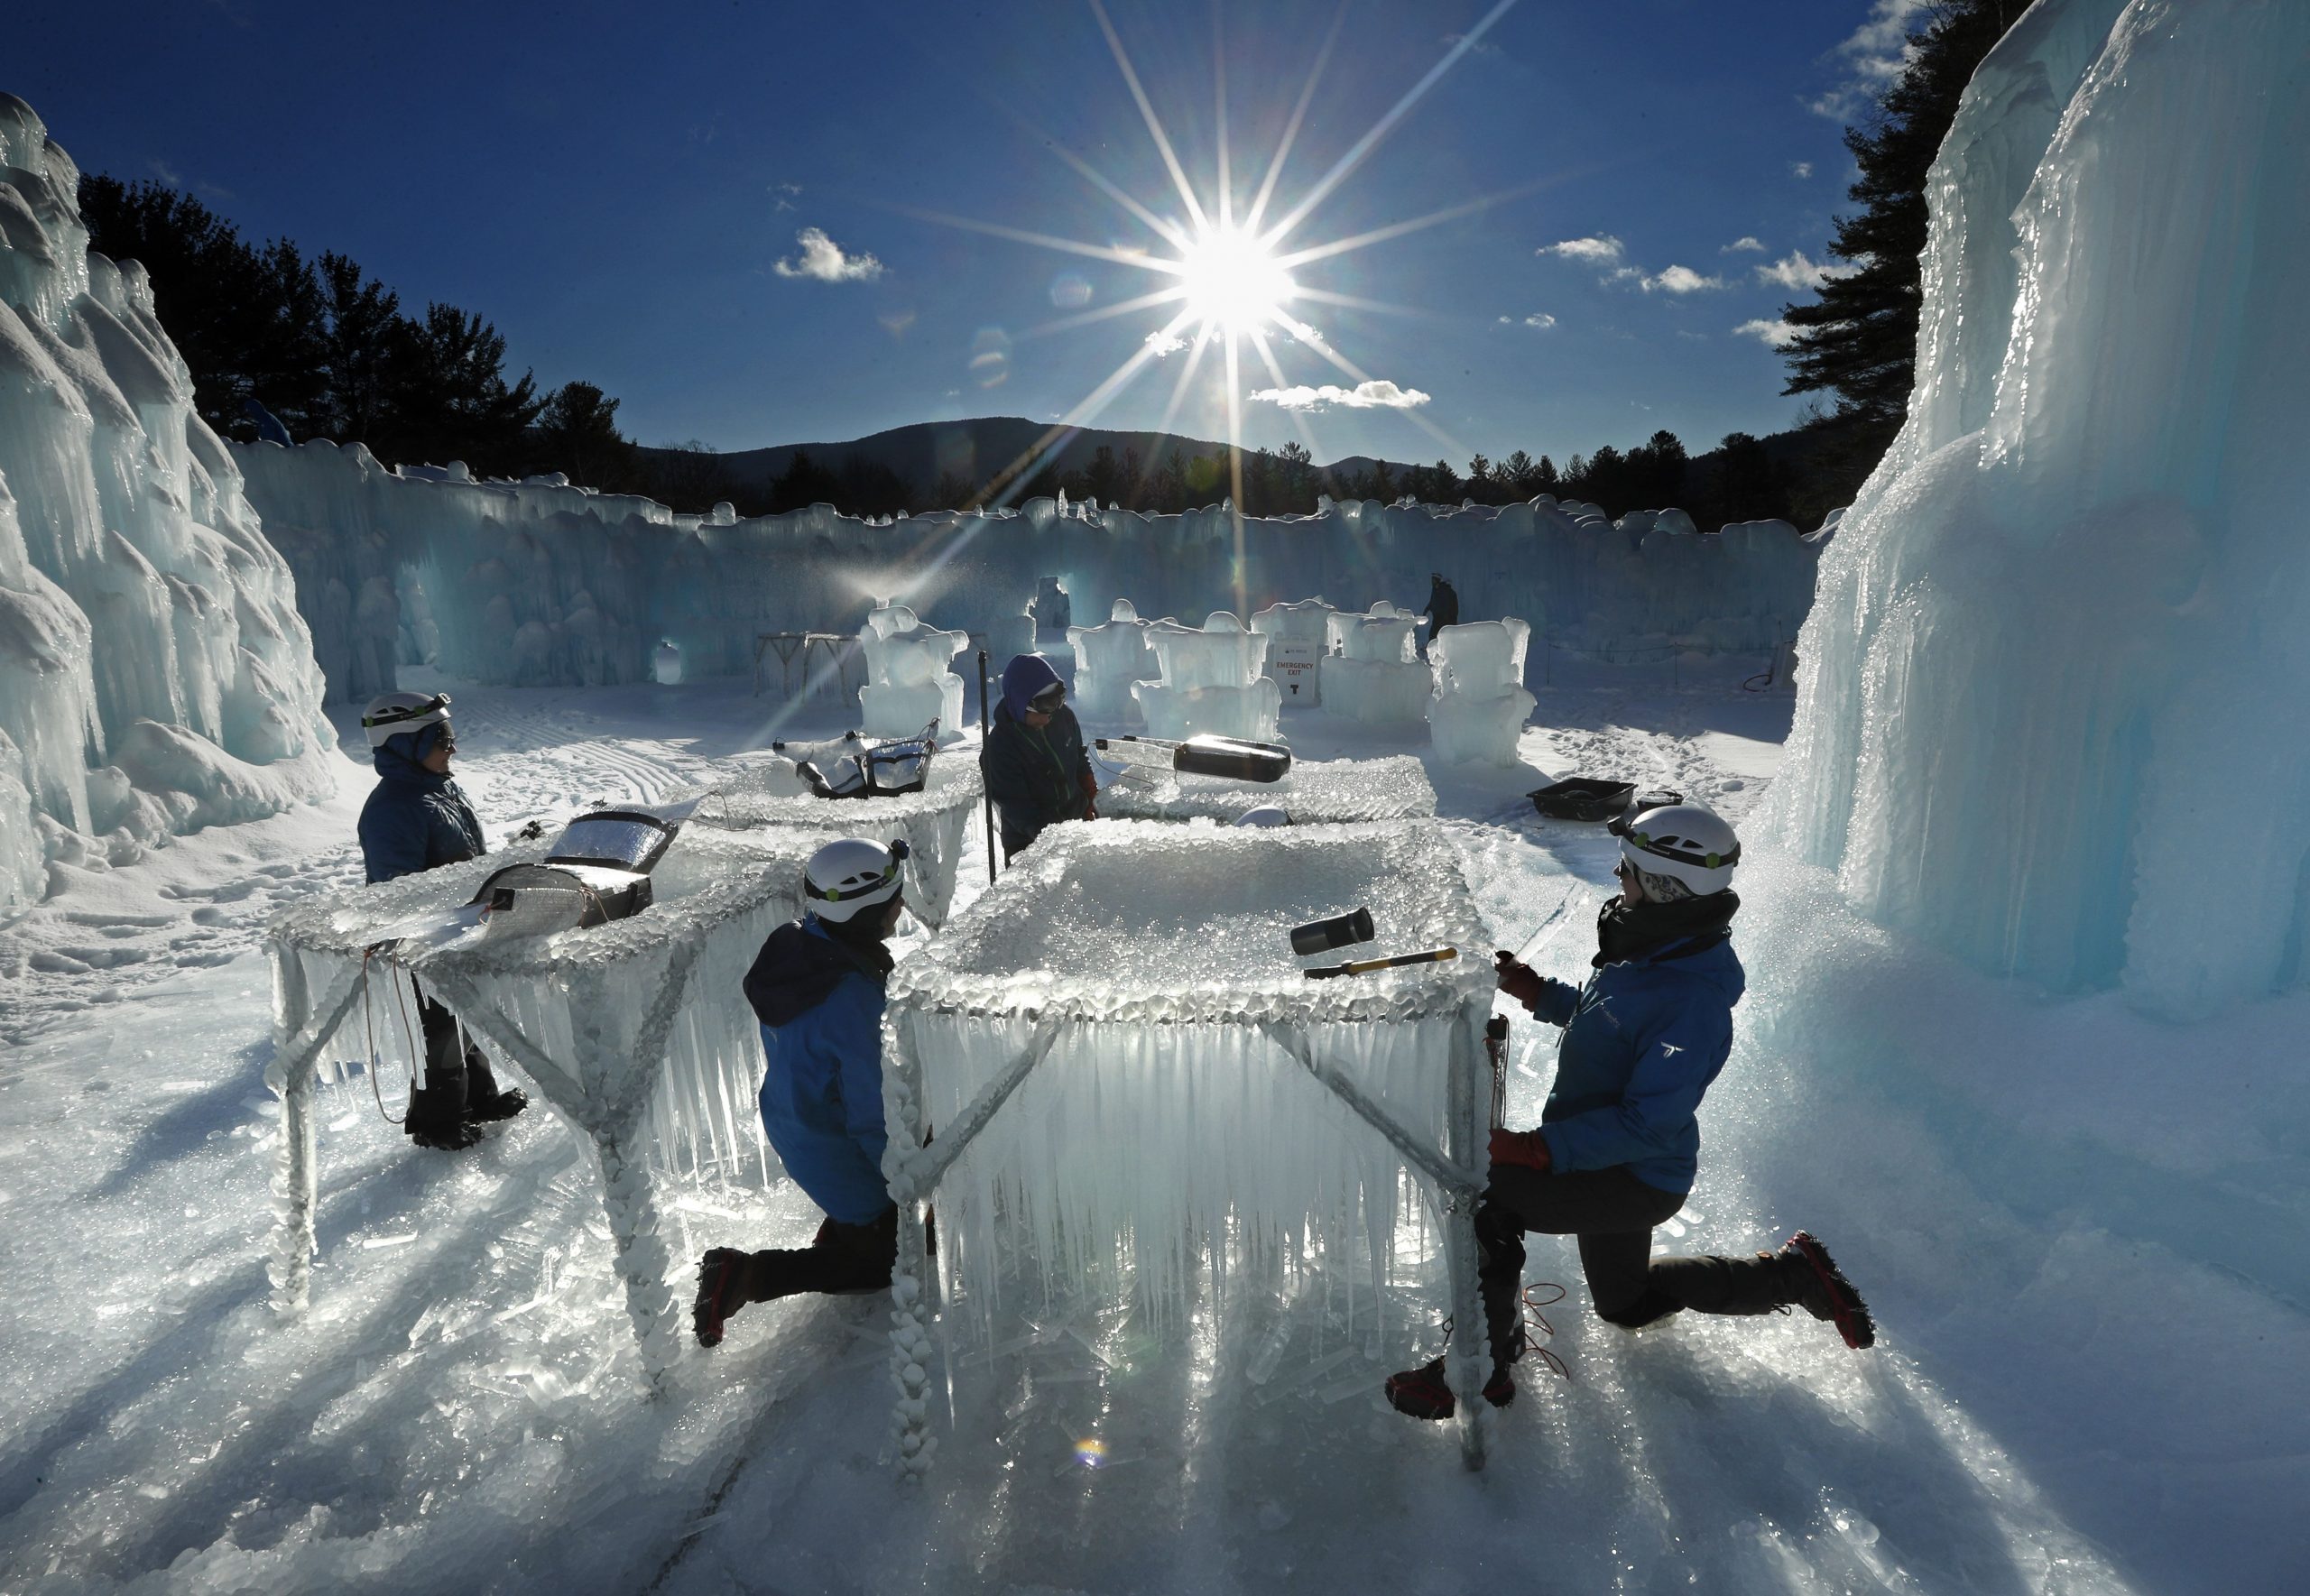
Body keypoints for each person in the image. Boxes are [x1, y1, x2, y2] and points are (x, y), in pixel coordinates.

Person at [1385, 802, 1874, 1421]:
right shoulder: (1659, 948)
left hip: (1633, 1174)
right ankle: (1793, 1275)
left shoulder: (1690, 999)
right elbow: (1609, 1019)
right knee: (1627, 1304)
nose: (1619, 878)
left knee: (1491, 1197)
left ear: (1666, 887)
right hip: (1607, 1158)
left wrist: (1534, 1150)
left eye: (1629, 870)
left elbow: (1648, 1123)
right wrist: (1538, 991)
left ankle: (1480, 1364)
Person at [695, 837, 910, 1347]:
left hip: (796, 1119)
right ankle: (743, 1275)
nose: (902, 906)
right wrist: (906, 1176)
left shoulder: (801, 945)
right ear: (869, 910)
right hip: (833, 1141)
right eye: (895, 899)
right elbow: (872, 1113)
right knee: (884, 1264)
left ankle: (851, 1228)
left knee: (872, 1223)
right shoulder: (852, 1000)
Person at [356, 691, 528, 1150]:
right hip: (425, 938)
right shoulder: (392, 808)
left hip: (460, 927)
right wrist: (435, 925)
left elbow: (462, 860)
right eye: (442, 737)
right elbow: (399, 891)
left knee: (464, 1016)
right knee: (437, 1031)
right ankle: (436, 1122)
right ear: (405, 744)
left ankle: (480, 1099)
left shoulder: (438, 787)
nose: (452, 747)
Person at [978, 653, 1096, 863]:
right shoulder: (999, 748)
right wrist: (1054, 840)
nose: (1048, 717)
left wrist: (1089, 792)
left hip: (1077, 826)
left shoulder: (1063, 717)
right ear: (1020, 702)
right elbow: (1018, 808)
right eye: (1042, 710)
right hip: (1028, 843)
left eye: (1054, 706)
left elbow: (1078, 757)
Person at [1422, 571, 1460, 658]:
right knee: (1434, 633)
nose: (1432, 581)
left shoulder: (1444, 591)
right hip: (1439, 617)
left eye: (1434, 579)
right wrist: (1427, 610)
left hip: (1443, 618)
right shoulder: (1436, 590)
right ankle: (1433, 649)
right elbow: (1432, 602)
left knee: (1437, 633)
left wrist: (1446, 616)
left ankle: (1437, 651)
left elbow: (1447, 605)